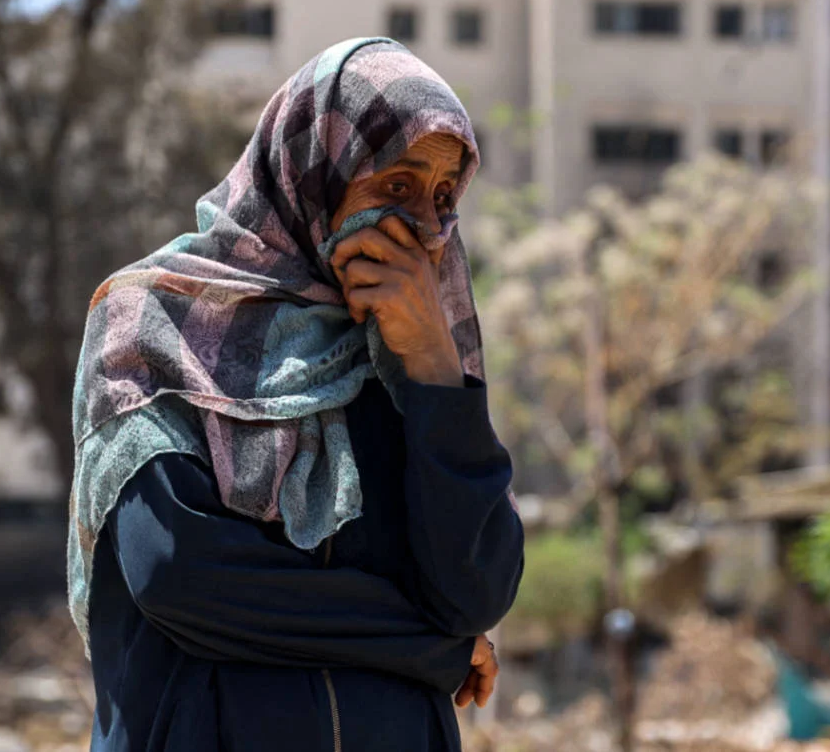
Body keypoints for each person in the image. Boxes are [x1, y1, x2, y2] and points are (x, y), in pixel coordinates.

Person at [66, 37, 524, 751]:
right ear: (315, 174)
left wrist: (437, 370)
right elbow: (182, 573)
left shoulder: (407, 355)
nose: (424, 231)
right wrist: (426, 649)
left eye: (441, 198)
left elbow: (476, 592)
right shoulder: (151, 322)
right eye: (394, 188)